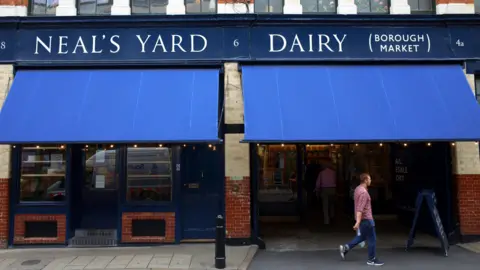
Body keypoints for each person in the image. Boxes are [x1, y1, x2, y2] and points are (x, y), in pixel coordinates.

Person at [339, 173, 384, 266]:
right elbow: (360, 209)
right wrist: (357, 222)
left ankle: (345, 248)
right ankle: (371, 259)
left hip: (362, 219)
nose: (371, 181)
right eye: (370, 179)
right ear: (365, 180)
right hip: (367, 219)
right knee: (372, 239)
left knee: (362, 237)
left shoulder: (357, 189)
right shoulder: (364, 193)